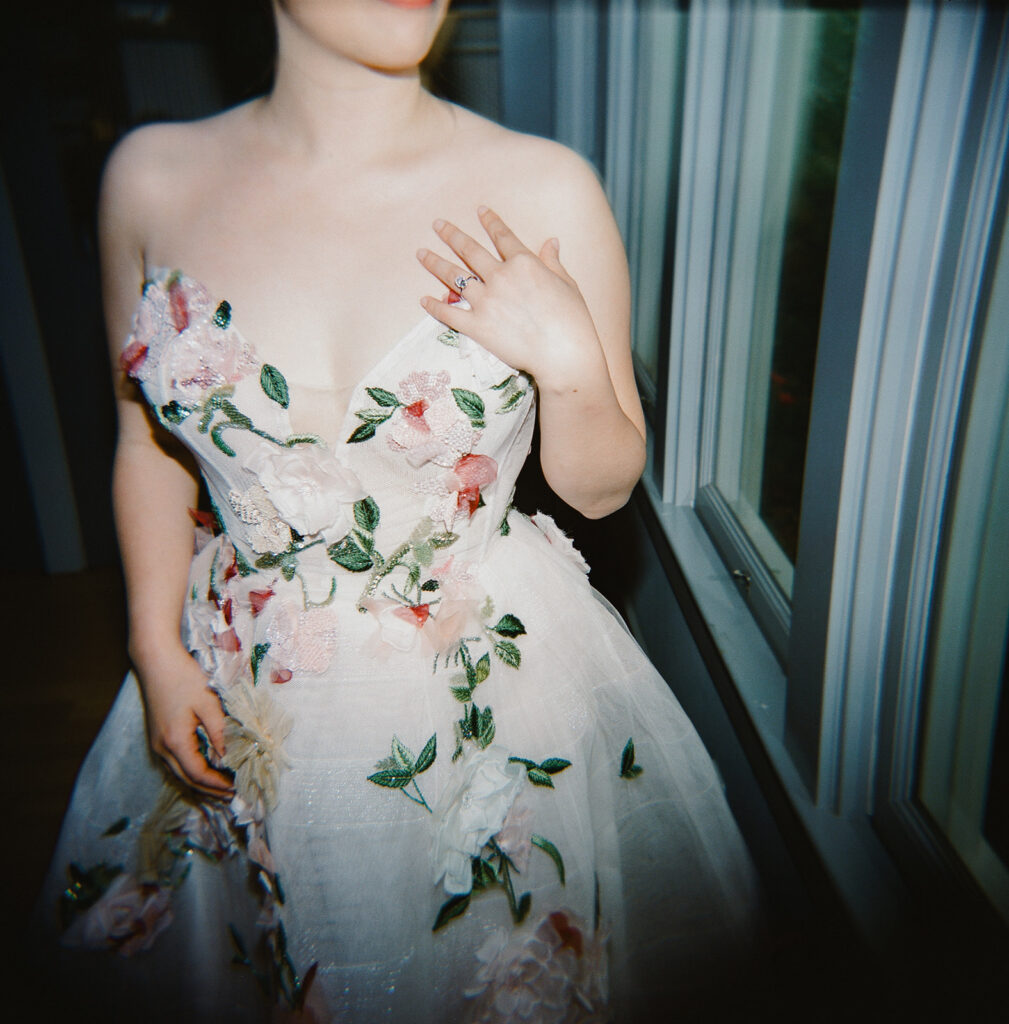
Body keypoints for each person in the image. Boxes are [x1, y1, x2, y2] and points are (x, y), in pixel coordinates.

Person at [38, 1, 759, 1020]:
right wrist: (154, 645)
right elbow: (142, 443)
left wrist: (566, 363)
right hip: (245, 683)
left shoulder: (545, 185)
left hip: (487, 692)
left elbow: (600, 484)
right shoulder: (149, 179)